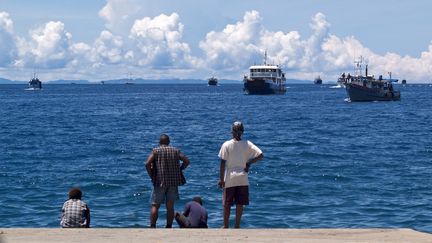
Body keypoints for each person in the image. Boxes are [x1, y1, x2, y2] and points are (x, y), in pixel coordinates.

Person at [218, 121, 263, 228]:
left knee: (227, 204)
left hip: (230, 177)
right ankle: (237, 226)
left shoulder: (226, 144)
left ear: (232, 132)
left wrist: (221, 180)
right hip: (243, 177)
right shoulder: (248, 144)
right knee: (240, 204)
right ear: (242, 132)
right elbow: (260, 155)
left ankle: (225, 226)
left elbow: (222, 163)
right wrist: (248, 163)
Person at [145, 134, 190, 228]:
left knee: (155, 205)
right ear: (169, 142)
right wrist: (180, 169)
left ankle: (153, 226)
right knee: (170, 207)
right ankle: (168, 226)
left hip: (159, 181)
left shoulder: (156, 151)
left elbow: (147, 163)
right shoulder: (175, 150)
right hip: (173, 182)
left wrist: (151, 175)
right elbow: (186, 161)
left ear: (159, 142)